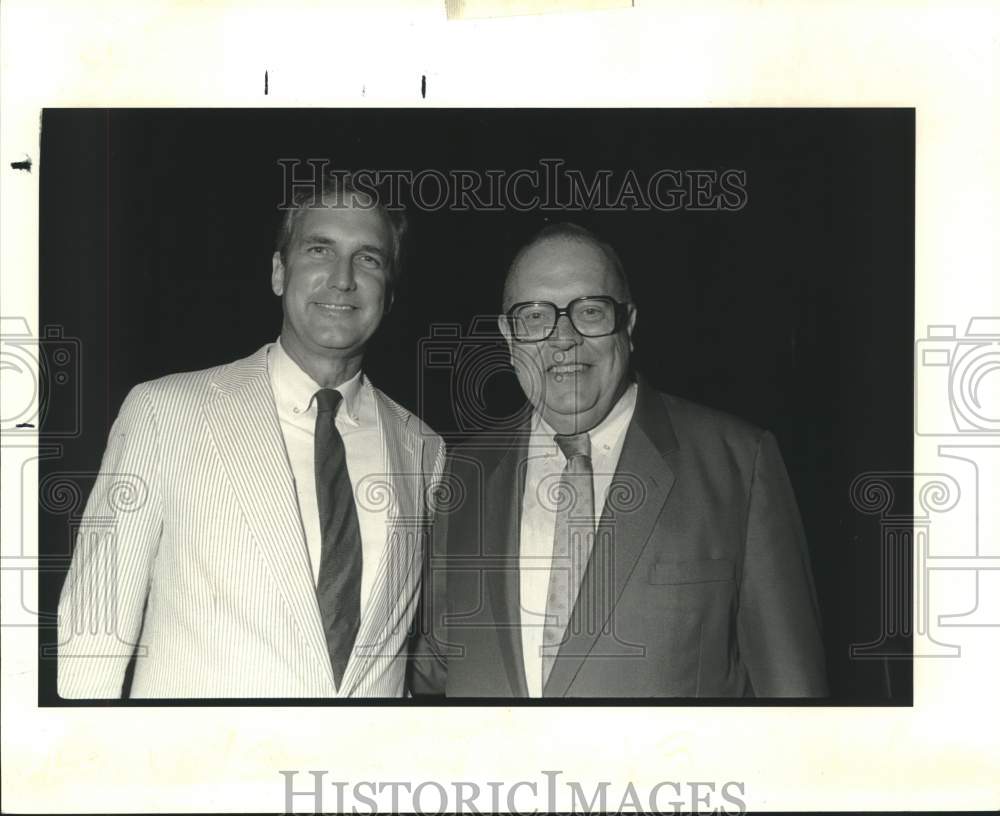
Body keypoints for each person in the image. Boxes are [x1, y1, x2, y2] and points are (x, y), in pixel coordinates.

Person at [58, 176, 444, 698]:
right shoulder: (164, 413)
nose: (343, 279)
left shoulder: (423, 448)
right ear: (279, 273)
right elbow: (93, 632)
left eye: (369, 259)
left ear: (389, 292)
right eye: (319, 250)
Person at [412, 222, 827, 697]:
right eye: (533, 316)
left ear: (628, 325)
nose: (562, 338)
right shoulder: (463, 473)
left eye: (590, 311)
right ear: (508, 336)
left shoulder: (738, 464)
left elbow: (795, 697)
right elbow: (437, 661)